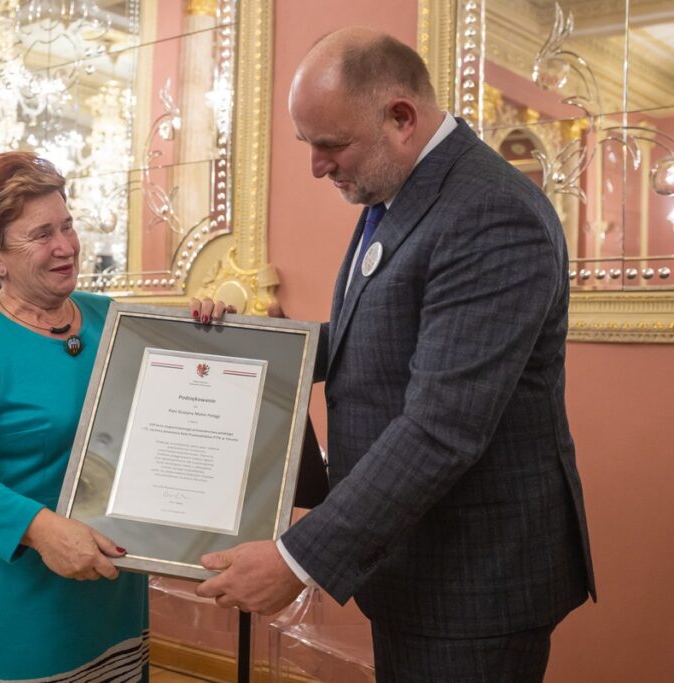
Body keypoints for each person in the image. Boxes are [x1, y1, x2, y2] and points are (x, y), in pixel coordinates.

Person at [195, 28, 595, 682]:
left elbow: (443, 426)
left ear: (400, 118)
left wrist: (298, 558)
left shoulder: (490, 211)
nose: (318, 166)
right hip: (415, 560)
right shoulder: (400, 188)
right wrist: (250, 344)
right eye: (309, 144)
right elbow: (373, 341)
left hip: (474, 577)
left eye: (330, 145)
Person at [0, 151, 149, 682]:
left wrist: (210, 326)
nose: (65, 247)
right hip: (17, 606)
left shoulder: (109, 316)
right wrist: (40, 530)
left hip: (112, 593)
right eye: (41, 235)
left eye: (67, 226)